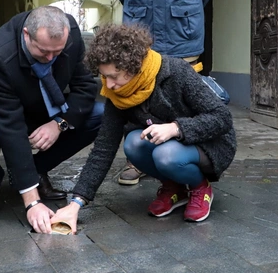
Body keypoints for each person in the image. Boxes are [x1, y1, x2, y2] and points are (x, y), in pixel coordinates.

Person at [51, 23, 236, 232]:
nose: (108, 85)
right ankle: (175, 188)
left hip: (209, 144)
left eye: (113, 76)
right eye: (104, 76)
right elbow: (103, 148)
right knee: (133, 144)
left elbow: (222, 118)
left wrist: (176, 128)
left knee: (166, 155)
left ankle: (200, 187)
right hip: (170, 144)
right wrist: (76, 203)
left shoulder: (176, 72)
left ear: (132, 66)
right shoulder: (118, 94)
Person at [0, 6, 103, 233]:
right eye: (44, 51)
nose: (51, 58)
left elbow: (85, 86)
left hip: (41, 104)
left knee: (99, 114)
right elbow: (11, 127)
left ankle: (35, 171)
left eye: (57, 52)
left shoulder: (70, 33)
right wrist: (32, 202)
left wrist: (59, 124)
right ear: (26, 35)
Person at [111, 0, 219, 185]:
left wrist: (183, 8)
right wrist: (142, 12)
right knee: (137, 95)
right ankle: (139, 160)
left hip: (182, 32)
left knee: (185, 95)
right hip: (141, 34)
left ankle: (186, 153)